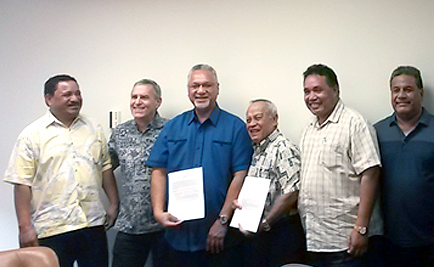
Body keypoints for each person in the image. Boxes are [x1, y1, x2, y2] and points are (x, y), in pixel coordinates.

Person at [4, 74, 120, 267]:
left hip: (91, 224)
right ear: (48, 99)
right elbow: (22, 183)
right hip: (52, 228)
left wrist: (114, 203)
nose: (74, 99)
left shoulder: (93, 127)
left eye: (78, 93)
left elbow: (105, 168)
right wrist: (25, 227)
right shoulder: (31, 135)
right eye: (67, 94)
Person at [147, 64, 253, 267]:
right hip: (177, 236)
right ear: (188, 89)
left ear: (217, 88)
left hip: (219, 238)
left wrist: (222, 221)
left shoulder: (236, 127)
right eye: (195, 85)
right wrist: (158, 212)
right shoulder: (173, 126)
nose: (201, 91)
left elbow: (241, 175)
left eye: (207, 85)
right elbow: (158, 171)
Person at [299, 64, 382, 267]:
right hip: (315, 239)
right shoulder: (309, 129)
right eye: (307, 91)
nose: (311, 97)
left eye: (318, 90)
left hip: (345, 242)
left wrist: (361, 229)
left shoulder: (355, 123)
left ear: (335, 90)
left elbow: (370, 175)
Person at [374, 66, 434, 267]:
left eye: (408, 89)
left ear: (421, 93)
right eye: (396, 90)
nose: (401, 95)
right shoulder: (376, 132)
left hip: (433, 243)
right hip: (389, 242)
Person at [234, 99, 306, 267]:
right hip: (259, 233)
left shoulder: (283, 148)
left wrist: (265, 223)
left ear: (274, 119)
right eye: (249, 120)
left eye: (257, 118)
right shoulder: (257, 150)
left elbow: (291, 193)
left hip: (281, 232)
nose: (252, 124)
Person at [108, 79, 168, 267]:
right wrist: (113, 203)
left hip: (165, 225)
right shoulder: (120, 133)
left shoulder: (171, 130)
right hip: (130, 224)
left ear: (157, 102)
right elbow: (105, 169)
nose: (138, 102)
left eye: (144, 97)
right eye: (134, 97)